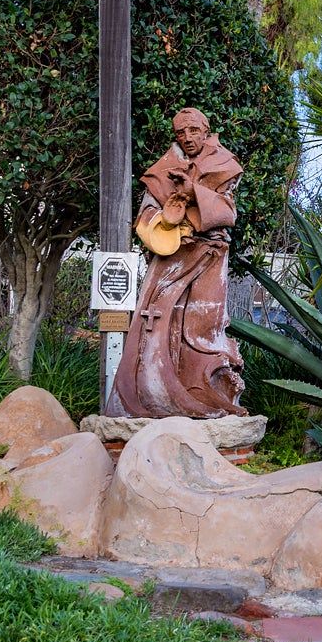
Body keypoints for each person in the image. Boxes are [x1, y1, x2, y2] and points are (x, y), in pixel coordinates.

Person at [106, 107, 247, 418]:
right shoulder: (163, 170)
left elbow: (228, 213)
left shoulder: (223, 164)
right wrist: (166, 223)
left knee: (204, 325)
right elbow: (146, 216)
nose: (187, 138)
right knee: (159, 325)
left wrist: (193, 192)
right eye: (181, 133)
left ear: (206, 131)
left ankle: (206, 393)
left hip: (209, 257)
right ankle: (154, 396)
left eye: (194, 131)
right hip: (170, 260)